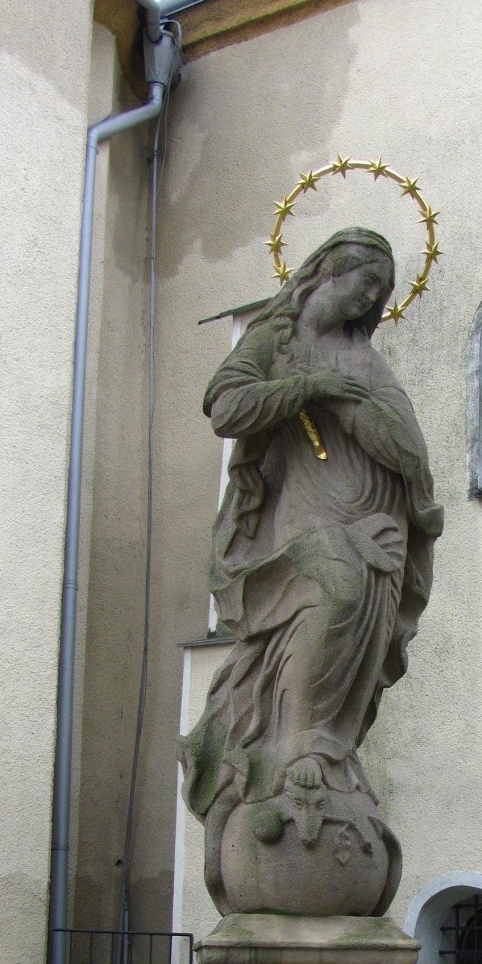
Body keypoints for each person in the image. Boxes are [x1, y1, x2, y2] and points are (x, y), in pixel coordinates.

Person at [179, 226, 444, 891]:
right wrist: (312, 388)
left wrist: (378, 440)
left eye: (382, 294)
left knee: (364, 611)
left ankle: (329, 744)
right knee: (335, 583)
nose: (370, 301)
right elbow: (227, 405)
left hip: (378, 523)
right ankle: (297, 740)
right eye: (365, 284)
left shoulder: (369, 358)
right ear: (329, 271)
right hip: (302, 520)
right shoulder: (280, 338)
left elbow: (405, 445)